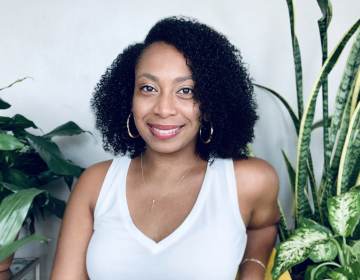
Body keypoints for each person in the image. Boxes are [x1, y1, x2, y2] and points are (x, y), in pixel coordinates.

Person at [51, 16, 280, 280]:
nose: (163, 109)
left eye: (185, 91)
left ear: (211, 102)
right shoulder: (96, 184)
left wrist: (253, 267)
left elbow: (263, 226)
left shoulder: (249, 182)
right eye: (148, 88)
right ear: (129, 97)